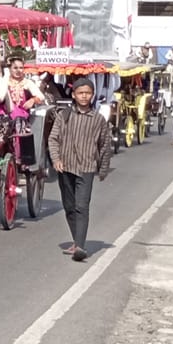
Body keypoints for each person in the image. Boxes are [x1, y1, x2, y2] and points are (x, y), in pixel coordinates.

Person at [46, 78, 112, 262]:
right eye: (80, 93)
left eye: (88, 93)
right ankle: (77, 240)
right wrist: (56, 159)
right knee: (69, 206)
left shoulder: (98, 119)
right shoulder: (64, 115)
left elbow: (104, 145)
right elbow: (53, 139)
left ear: (92, 95)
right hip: (65, 167)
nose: (84, 96)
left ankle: (80, 246)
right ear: (74, 95)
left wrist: (103, 169)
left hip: (86, 168)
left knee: (81, 206)